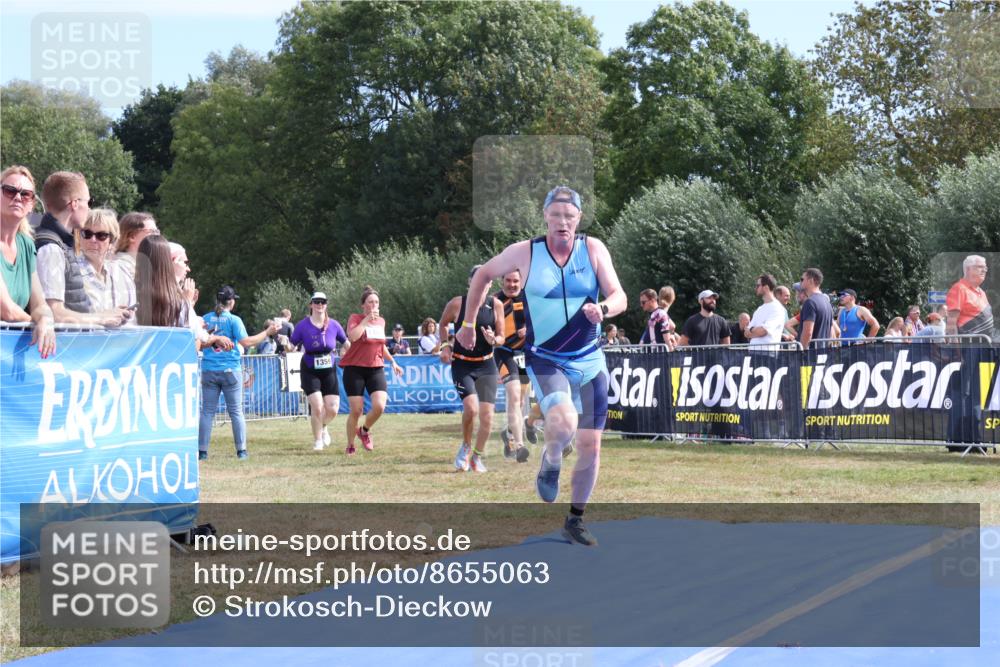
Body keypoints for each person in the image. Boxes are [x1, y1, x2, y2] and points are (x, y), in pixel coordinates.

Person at [457, 186, 626, 546]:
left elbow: (620, 295)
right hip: (548, 358)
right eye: (556, 215)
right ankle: (551, 459)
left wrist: (605, 309)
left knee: (591, 446)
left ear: (579, 219)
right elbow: (482, 276)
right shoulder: (526, 253)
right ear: (545, 217)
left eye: (570, 216)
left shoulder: (593, 249)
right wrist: (469, 324)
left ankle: (575, 520)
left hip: (591, 359)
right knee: (563, 423)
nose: (563, 222)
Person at [36, 171, 130, 327]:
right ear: (74, 204)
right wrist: (101, 319)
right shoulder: (51, 247)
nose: (89, 208)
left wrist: (103, 315)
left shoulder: (59, 244)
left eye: (101, 236)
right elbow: (54, 312)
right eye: (89, 202)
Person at [198, 285, 278, 460]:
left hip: (209, 370)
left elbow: (199, 342)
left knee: (207, 412)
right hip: (230, 370)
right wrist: (267, 332)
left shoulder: (205, 319)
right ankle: (241, 451)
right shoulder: (234, 320)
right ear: (231, 302)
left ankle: (202, 452)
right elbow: (247, 342)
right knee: (236, 411)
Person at [440, 266, 504, 472]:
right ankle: (466, 447)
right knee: (471, 408)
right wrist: (445, 346)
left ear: (490, 284)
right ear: (470, 283)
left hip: (486, 364)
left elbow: (502, 337)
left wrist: (494, 339)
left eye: (485, 281)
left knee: (487, 417)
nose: (481, 285)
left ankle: (477, 456)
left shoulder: (496, 305)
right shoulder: (457, 303)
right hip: (462, 364)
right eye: (477, 280)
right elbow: (442, 324)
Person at [339, 286, 404, 454]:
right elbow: (353, 337)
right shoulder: (355, 318)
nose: (374, 305)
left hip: (376, 368)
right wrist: (365, 320)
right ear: (363, 305)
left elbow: (380, 345)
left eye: (376, 302)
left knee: (380, 406)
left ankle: (364, 430)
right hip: (354, 369)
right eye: (370, 302)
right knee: (356, 410)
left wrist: (393, 362)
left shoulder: (381, 321)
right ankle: (350, 444)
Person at [0, 165, 56, 358]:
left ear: (32, 205)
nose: (17, 197)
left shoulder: (26, 245)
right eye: (9, 191)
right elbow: (7, 311)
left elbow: (39, 303)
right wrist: (40, 324)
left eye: (25, 195)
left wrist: (46, 320)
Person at [289, 292, 349, 451]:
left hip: (329, 369)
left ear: (326, 305)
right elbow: (291, 346)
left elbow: (346, 343)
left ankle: (323, 426)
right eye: (316, 302)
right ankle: (317, 441)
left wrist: (350, 354)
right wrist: (284, 344)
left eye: (323, 302)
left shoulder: (334, 325)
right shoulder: (302, 325)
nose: (319, 305)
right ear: (311, 305)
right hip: (310, 368)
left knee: (333, 408)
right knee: (317, 407)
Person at [493, 268, 533, 463]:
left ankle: (508, 432)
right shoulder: (495, 301)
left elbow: (542, 322)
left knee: (521, 400)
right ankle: (519, 445)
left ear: (521, 281)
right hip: (504, 353)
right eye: (508, 280)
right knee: (514, 394)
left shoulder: (529, 298)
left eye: (515, 281)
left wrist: (530, 330)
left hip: (524, 355)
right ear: (502, 281)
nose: (512, 284)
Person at [76, 209, 136, 323]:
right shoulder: (69, 270)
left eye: (101, 235)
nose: (93, 240)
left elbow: (132, 318)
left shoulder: (122, 272)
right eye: (87, 234)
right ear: (80, 236)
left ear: (112, 240)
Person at [946, 255, 993, 338]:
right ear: (968, 269)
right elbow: (951, 323)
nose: (984, 271)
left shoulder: (981, 292)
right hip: (969, 347)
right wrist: (956, 349)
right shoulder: (959, 289)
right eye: (980, 267)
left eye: (985, 268)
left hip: (985, 345)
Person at [797, 268, 834, 349]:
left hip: (810, 354)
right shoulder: (827, 302)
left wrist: (801, 351)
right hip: (823, 351)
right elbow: (832, 331)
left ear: (811, 280)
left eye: (802, 279)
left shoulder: (810, 302)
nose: (800, 282)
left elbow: (808, 332)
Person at [745, 274, 786, 346]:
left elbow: (763, 331)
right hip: (753, 351)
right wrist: (755, 330)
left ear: (766, 287)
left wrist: (751, 329)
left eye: (758, 285)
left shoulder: (777, 308)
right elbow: (746, 333)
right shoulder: (759, 309)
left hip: (768, 353)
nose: (756, 288)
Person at [114, 212, 158, 279]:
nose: (157, 236)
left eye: (157, 231)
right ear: (132, 237)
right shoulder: (120, 267)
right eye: (152, 231)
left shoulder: (144, 266)